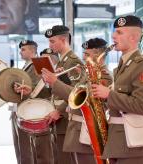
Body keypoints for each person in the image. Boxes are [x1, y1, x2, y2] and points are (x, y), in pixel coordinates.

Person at [89, 15, 143, 164]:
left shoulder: (141, 64)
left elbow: (141, 105)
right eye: (115, 32)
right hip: (118, 140)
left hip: (132, 143)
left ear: (133, 37)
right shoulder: (123, 64)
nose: (113, 36)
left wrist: (108, 95)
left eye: (119, 32)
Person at [41, 37, 113, 164]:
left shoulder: (104, 76)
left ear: (99, 55)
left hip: (87, 130)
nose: (84, 58)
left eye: (87, 54)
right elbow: (75, 91)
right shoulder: (88, 74)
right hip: (77, 129)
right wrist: (62, 79)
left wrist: (55, 82)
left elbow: (79, 96)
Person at [44, 25, 85, 164]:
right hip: (58, 116)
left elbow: (77, 93)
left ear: (63, 40)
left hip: (66, 117)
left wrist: (60, 111)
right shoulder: (62, 61)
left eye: (52, 41)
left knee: (66, 159)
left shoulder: (73, 61)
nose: (50, 45)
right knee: (59, 158)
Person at [11, 40, 56, 164]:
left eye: (23, 49)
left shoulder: (37, 66)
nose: (20, 52)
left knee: (30, 152)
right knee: (22, 149)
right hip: (21, 110)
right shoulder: (26, 66)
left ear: (32, 51)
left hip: (31, 112)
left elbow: (38, 91)